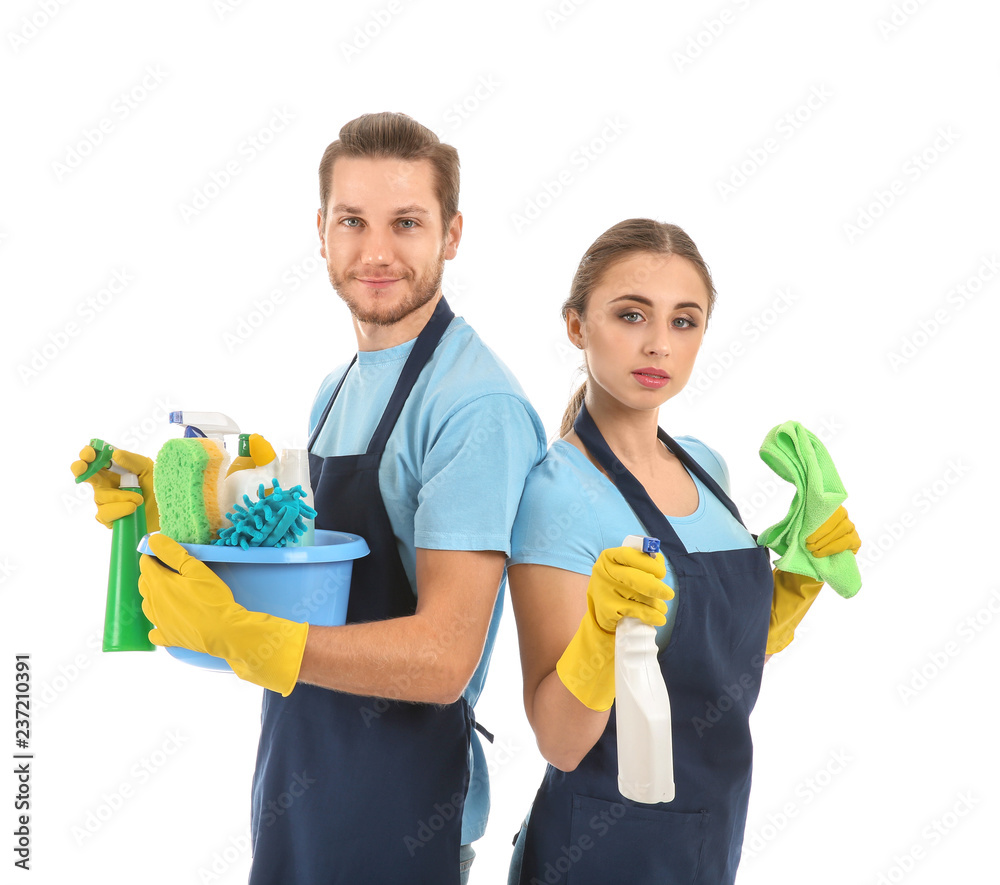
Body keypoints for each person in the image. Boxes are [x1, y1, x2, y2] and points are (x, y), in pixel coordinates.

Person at [72, 112, 547, 884]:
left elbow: (442, 658)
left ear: (451, 235)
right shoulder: (338, 387)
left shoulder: (473, 407)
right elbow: (310, 579)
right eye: (353, 220)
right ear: (321, 231)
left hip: (399, 818)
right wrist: (171, 513)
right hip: (301, 786)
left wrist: (253, 638)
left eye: (407, 223)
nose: (377, 252)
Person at [505, 218, 861, 885]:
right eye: (631, 314)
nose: (658, 344)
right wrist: (602, 635)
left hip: (711, 834)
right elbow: (559, 738)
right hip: (599, 852)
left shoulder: (705, 466)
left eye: (684, 321)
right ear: (577, 327)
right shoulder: (558, 493)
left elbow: (713, 657)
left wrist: (798, 579)